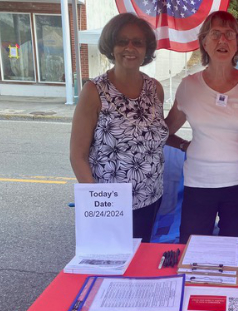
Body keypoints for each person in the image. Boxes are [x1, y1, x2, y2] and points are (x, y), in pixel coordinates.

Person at [165, 11, 238, 244]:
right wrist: (183, 144)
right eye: (216, 34)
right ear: (204, 42)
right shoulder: (188, 87)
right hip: (199, 183)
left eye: (230, 34)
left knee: (231, 249)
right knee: (191, 249)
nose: (223, 40)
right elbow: (164, 131)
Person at [69, 13, 168, 243]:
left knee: (140, 263)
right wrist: (97, 201)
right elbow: (77, 156)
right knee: (112, 269)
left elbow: (155, 133)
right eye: (122, 41)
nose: (130, 47)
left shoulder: (155, 89)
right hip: (109, 203)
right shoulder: (94, 91)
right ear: (111, 47)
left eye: (138, 42)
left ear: (146, 50)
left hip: (151, 197)